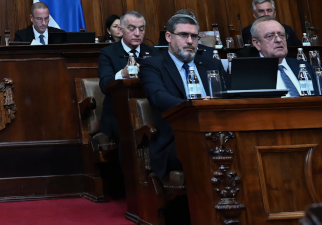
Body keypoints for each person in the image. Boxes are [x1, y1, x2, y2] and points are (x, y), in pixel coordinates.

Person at [140, 11, 228, 179]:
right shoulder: (153, 65)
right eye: (183, 35)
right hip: (176, 139)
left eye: (194, 36)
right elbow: (158, 96)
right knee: (209, 149)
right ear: (168, 36)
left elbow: (228, 96)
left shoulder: (212, 64)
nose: (190, 41)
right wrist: (194, 107)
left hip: (219, 132)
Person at [98, 11, 156, 141]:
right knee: (128, 132)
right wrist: (122, 74)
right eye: (132, 28)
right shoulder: (107, 53)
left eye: (141, 29)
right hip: (118, 113)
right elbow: (104, 85)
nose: (137, 33)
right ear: (120, 30)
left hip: (150, 110)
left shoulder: (153, 52)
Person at [250, 17, 312, 96]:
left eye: (282, 35)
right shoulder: (250, 73)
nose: (279, 40)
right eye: (270, 36)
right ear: (256, 43)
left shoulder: (304, 66)